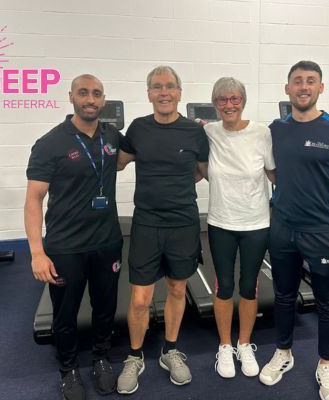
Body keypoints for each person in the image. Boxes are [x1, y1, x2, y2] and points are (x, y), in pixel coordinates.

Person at [258, 61, 329, 400]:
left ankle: (325, 363)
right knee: (284, 296)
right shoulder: (275, 129)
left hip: (323, 230)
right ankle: (283, 353)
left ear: (321, 88)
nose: (304, 86)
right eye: (297, 81)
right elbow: (270, 169)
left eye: (311, 81)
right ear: (287, 89)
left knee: (328, 301)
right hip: (283, 227)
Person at [24, 74, 123, 400]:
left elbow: (138, 154)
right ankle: (68, 370)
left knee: (105, 306)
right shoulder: (50, 143)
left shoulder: (112, 137)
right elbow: (34, 199)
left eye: (96, 93)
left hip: (107, 242)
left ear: (103, 98)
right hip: (65, 246)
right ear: (71, 97)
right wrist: (37, 252)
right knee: (65, 314)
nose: (91, 99)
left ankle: (101, 358)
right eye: (84, 93)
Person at [115, 65, 209, 394]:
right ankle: (135, 356)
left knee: (177, 289)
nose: (164, 92)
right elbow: (118, 162)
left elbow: (204, 171)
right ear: (149, 94)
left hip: (183, 221)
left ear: (180, 92)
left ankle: (170, 350)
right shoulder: (138, 128)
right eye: (157, 87)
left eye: (170, 86)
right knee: (140, 298)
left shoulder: (194, 132)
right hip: (147, 222)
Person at [199, 77, 275, 379]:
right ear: (215, 103)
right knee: (224, 285)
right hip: (221, 222)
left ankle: (244, 343)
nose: (229, 105)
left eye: (234, 99)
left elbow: (273, 174)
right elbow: (202, 169)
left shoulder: (262, 133)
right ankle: (225, 345)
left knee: (249, 284)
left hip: (256, 222)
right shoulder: (208, 132)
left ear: (242, 101)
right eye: (222, 100)